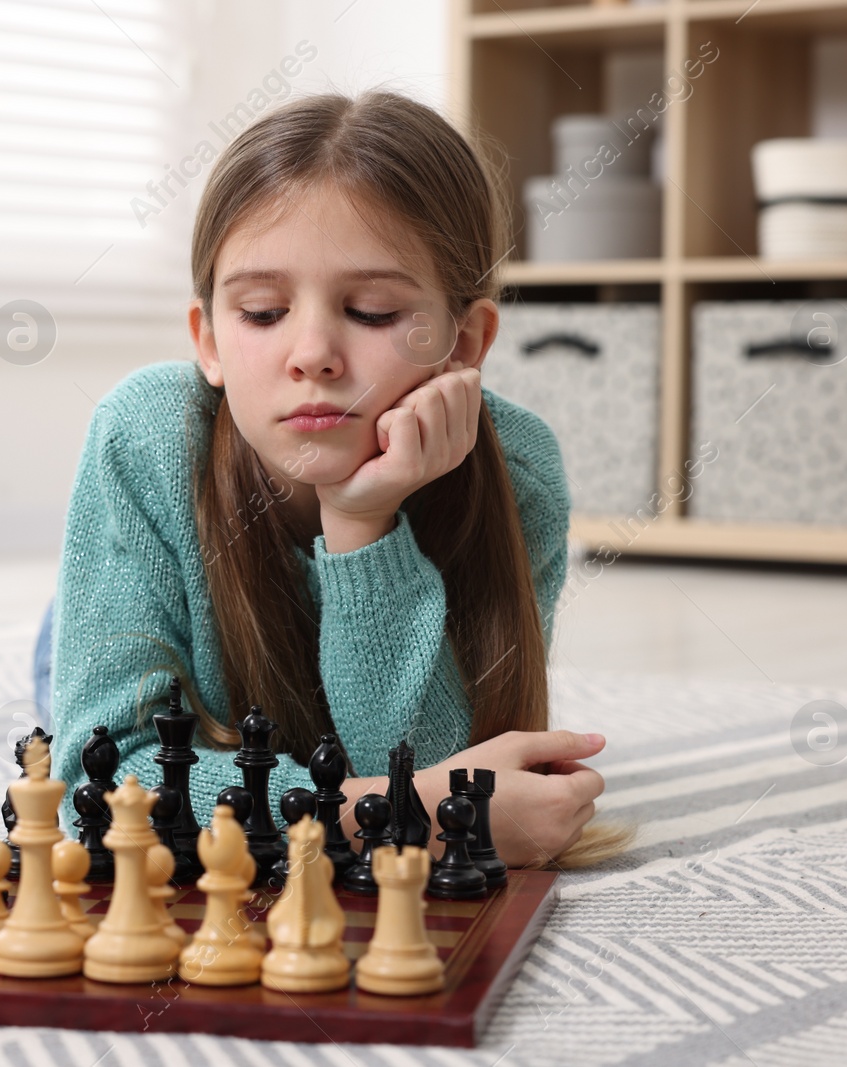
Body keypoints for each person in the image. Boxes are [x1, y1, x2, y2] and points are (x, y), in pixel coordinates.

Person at [41, 90, 628, 869]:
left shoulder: (519, 473)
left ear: (465, 340)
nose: (312, 352)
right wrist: (394, 814)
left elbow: (448, 757)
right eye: (261, 311)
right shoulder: (145, 435)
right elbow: (103, 786)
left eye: (374, 311)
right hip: (142, 613)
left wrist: (363, 525)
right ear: (207, 339)